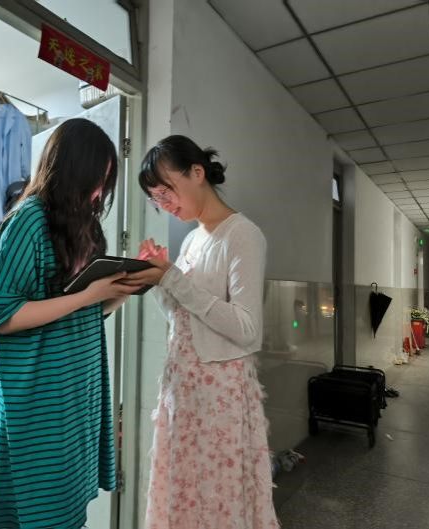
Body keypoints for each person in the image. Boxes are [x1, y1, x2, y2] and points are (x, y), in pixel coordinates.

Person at [0, 118, 138, 528]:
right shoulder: (28, 220)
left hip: (73, 393)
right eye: (97, 178)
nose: (100, 191)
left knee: (65, 507)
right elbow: (4, 317)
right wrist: (89, 295)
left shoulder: (82, 224)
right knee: (33, 506)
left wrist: (122, 290)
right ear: (72, 169)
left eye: (106, 180)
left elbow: (81, 314)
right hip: (37, 395)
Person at [124, 135, 280, 529]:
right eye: (156, 199)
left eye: (166, 192)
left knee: (217, 502)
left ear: (197, 173)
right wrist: (158, 281)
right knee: (185, 496)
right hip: (183, 389)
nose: (164, 204)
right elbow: (182, 319)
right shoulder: (193, 238)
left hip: (219, 394)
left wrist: (172, 279)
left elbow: (247, 330)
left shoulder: (242, 234)